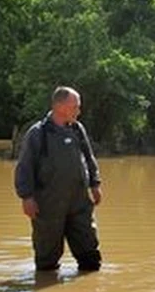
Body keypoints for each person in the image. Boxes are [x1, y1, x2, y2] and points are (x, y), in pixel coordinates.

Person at [14, 87, 103, 272]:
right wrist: (26, 197)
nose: (79, 111)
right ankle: (46, 286)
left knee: (90, 256)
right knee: (47, 259)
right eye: (75, 107)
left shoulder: (77, 129)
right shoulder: (38, 133)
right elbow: (24, 167)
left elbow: (89, 157)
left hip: (79, 201)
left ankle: (90, 286)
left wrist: (95, 184)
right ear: (59, 106)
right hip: (48, 203)